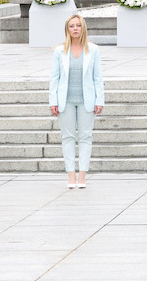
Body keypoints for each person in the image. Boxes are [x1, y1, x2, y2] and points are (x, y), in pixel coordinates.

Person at [49, 14, 105, 188]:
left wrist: (99, 100)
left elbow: (98, 77)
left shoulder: (93, 50)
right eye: (72, 26)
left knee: (86, 137)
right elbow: (54, 78)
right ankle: (71, 175)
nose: (75, 29)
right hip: (65, 101)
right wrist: (53, 101)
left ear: (83, 28)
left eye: (78, 26)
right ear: (67, 29)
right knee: (68, 137)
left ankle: (82, 176)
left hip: (86, 101)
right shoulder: (59, 51)